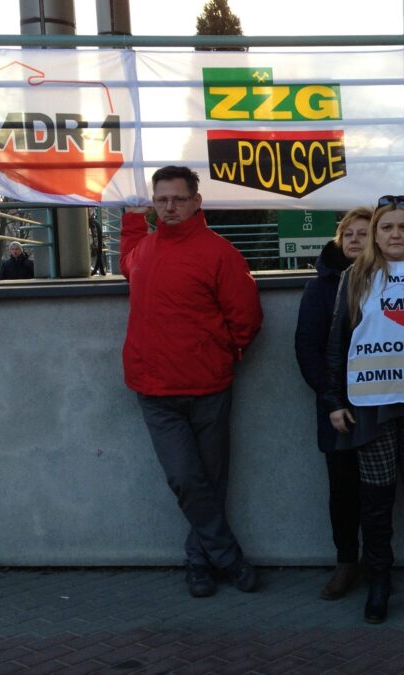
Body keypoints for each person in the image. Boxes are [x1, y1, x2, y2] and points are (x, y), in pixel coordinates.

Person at [295, 208, 404, 602]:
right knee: (375, 500)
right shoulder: (352, 279)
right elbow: (330, 346)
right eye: (387, 228)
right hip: (370, 405)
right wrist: (333, 400)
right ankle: (377, 584)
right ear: (376, 236)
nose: (395, 234)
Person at [120, 166, 263, 598]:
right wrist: (130, 219)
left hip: (207, 387)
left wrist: (221, 354)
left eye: (178, 199)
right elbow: (127, 261)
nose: (169, 207)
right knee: (186, 478)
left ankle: (199, 562)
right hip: (154, 390)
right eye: (161, 199)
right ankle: (228, 557)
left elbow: (247, 319)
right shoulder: (144, 249)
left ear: (196, 202)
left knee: (210, 481)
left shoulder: (220, 253)